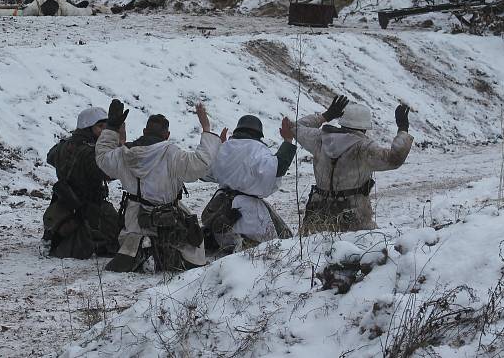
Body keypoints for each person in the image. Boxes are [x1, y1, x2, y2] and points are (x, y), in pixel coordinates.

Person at [96, 100, 223, 272]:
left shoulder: (124, 153)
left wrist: (111, 128)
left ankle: (140, 251)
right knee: (193, 250)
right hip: (169, 215)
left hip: (135, 217)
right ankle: (161, 254)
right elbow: (201, 163)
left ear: (144, 131)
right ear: (167, 135)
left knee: (132, 239)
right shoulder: (172, 153)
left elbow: (103, 158)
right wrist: (206, 128)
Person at [291, 95, 413, 233]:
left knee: (313, 250)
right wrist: (403, 128)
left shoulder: (319, 139)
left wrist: (326, 116)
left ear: (342, 122)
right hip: (353, 215)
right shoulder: (364, 148)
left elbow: (296, 127)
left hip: (318, 211)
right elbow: (395, 159)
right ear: (365, 128)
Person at [202, 115, 297, 254]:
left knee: (221, 235)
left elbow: (205, 173)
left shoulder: (226, 147)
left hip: (219, 205)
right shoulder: (257, 149)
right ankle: (245, 243)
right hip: (247, 211)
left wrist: (220, 148)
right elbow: (277, 168)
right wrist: (288, 140)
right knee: (277, 244)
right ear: (259, 133)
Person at [42, 106, 120, 259]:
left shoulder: (64, 145)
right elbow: (110, 172)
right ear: (87, 127)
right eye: (100, 127)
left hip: (65, 204)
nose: (103, 131)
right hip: (89, 207)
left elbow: (50, 157)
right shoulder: (89, 152)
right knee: (119, 236)